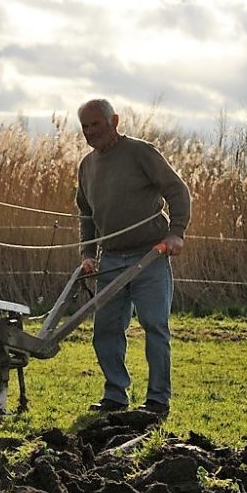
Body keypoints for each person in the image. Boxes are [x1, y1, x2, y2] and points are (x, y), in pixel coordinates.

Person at [76, 98, 191, 416]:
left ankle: (157, 401)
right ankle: (115, 396)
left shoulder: (141, 153)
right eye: (84, 127)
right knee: (106, 330)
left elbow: (177, 191)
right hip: (110, 260)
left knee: (155, 326)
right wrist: (88, 254)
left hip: (149, 256)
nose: (89, 132)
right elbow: (86, 214)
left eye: (95, 124)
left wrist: (176, 232)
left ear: (114, 120)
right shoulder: (87, 166)